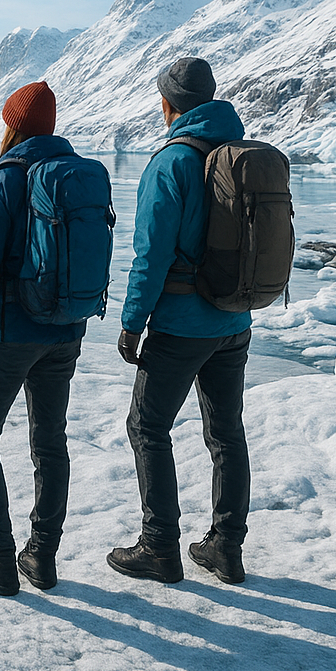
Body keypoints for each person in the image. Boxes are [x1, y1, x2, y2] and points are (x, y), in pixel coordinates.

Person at [108, 56, 253, 585]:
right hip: (234, 320)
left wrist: (132, 322)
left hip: (181, 325)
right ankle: (226, 547)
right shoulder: (236, 152)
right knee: (226, 433)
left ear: (168, 105)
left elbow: (151, 254)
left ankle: (159, 547)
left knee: (146, 426)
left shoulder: (172, 162)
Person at [0, 80, 88, 596]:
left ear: (12, 125)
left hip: (11, 334)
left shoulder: (5, 180)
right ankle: (42, 557)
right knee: (50, 442)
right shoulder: (77, 173)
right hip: (65, 331)